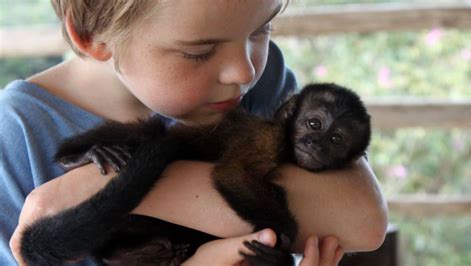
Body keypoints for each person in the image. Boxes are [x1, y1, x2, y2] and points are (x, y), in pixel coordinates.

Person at [0, 0, 388, 265]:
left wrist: (107, 186)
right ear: (93, 35)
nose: (244, 71)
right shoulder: (19, 133)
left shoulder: (258, 86)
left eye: (262, 28)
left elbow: (364, 222)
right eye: (199, 51)